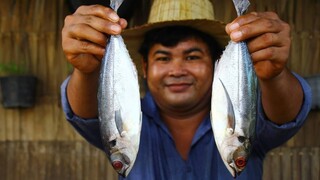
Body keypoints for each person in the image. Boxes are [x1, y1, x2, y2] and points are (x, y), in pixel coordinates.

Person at [61, 0, 312, 179]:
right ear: (145, 67)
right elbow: (86, 113)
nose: (177, 69)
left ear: (217, 64)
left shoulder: (251, 120)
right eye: (163, 58)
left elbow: (285, 115)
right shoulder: (122, 118)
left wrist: (275, 76)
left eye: (192, 57)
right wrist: (86, 72)